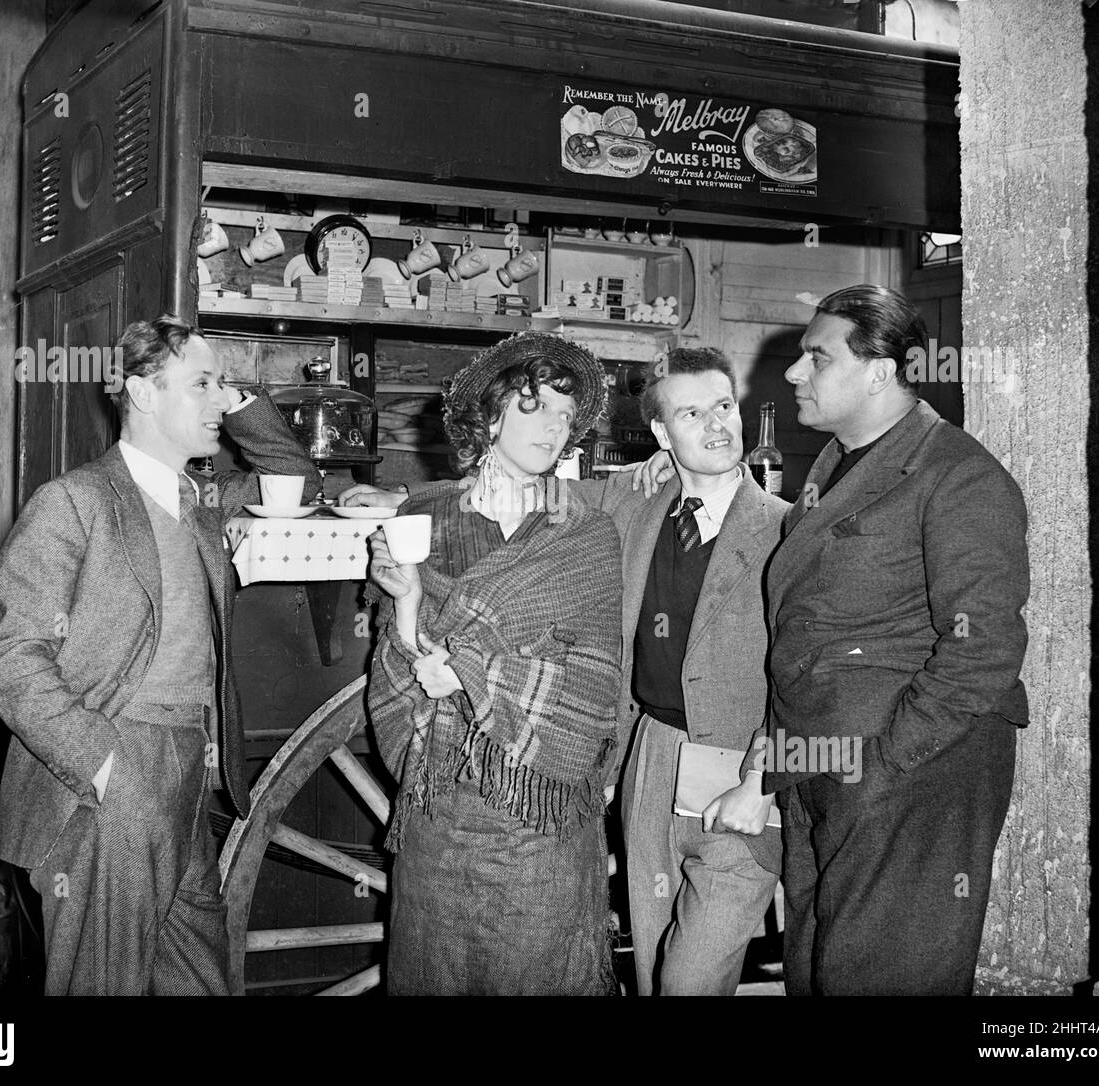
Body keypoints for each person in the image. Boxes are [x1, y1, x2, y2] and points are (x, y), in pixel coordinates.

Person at [0, 315, 315, 995]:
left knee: (200, 981)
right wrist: (106, 769)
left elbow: (295, 478)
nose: (219, 400)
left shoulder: (205, 506)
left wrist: (235, 395)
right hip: (111, 778)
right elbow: (12, 662)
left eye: (222, 385)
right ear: (142, 391)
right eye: (200, 384)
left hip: (190, 772)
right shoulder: (73, 503)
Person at [719, 284, 1030, 995]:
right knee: (820, 970)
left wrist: (888, 762)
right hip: (821, 766)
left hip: (905, 776)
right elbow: (802, 631)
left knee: (882, 977)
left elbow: (982, 649)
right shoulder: (835, 467)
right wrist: (776, 766)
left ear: (881, 372)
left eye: (816, 358)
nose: (796, 374)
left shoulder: (957, 475)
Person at [365, 331, 622, 995]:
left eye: (566, 417)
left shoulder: (585, 533)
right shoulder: (424, 516)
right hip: (441, 802)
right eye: (537, 409)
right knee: (434, 972)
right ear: (489, 415)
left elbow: (593, 682)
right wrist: (407, 601)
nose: (555, 429)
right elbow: (400, 662)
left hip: (539, 811)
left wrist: (476, 669)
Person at [593, 347, 788, 996]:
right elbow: (529, 490)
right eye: (692, 412)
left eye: (725, 406)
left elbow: (811, 678)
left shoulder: (790, 532)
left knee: (690, 980)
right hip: (650, 754)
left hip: (742, 767)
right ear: (659, 433)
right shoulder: (635, 507)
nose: (716, 426)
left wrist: (761, 783)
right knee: (652, 966)